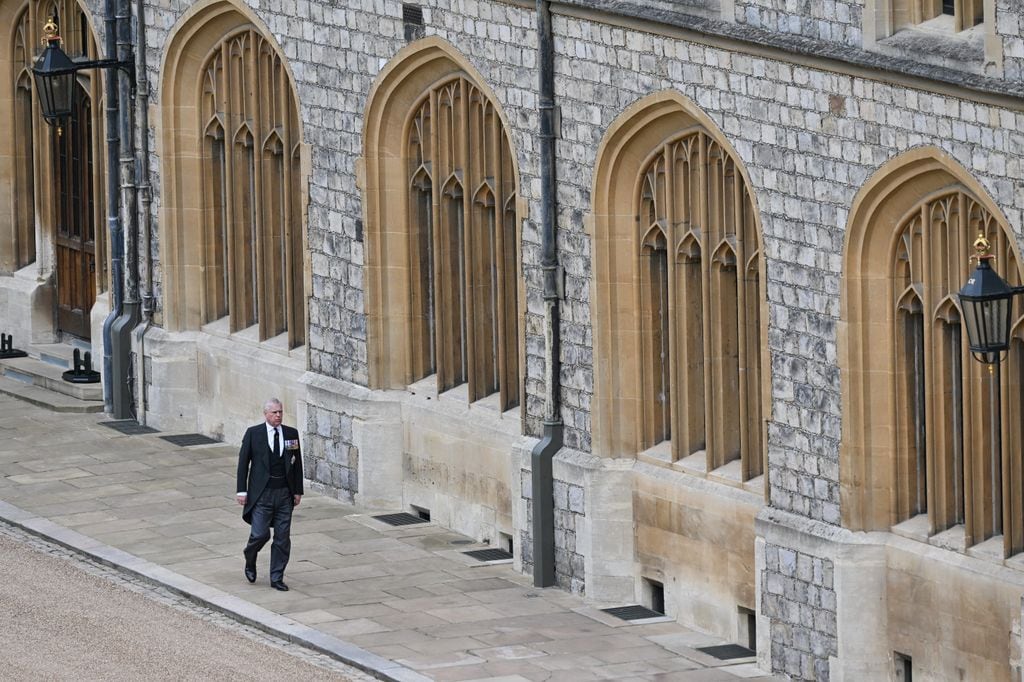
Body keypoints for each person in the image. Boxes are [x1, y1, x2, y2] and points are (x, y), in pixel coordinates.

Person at [236, 398, 303, 591]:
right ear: (266, 414)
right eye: (274, 412)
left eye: (280, 412)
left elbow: (297, 463)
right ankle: (250, 557)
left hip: (284, 494)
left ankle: (276, 577)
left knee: (282, 538)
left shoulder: (291, 434)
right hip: (262, 494)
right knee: (260, 534)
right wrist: (242, 491)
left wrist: (297, 490)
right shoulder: (253, 434)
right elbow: (243, 464)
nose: (278, 415)